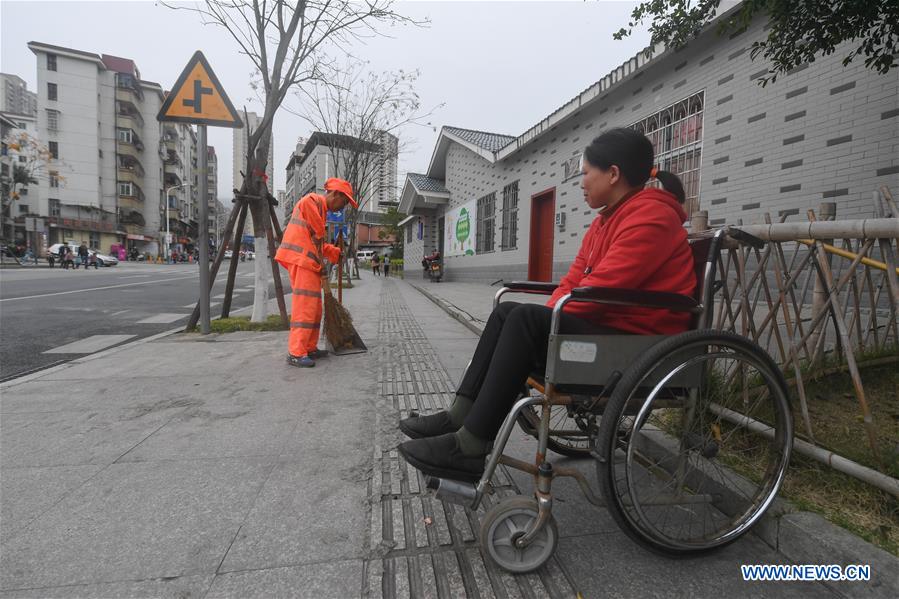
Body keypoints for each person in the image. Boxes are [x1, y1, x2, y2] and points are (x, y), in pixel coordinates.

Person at [398, 128, 696, 482]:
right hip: (614, 327)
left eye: (586, 173)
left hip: (638, 344)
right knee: (511, 311)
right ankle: (460, 416)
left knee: (526, 320)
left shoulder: (651, 218)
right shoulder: (606, 221)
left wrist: (547, 324)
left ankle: (471, 445)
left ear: (613, 174)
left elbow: (604, 287)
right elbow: (574, 282)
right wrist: (551, 320)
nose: (582, 182)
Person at [275, 177, 358, 368]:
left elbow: (317, 243)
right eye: (343, 202)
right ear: (335, 194)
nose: (342, 207)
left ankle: (309, 347)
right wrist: (326, 251)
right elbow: (317, 236)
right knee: (305, 307)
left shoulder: (321, 211)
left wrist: (335, 253)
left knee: (315, 308)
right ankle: (296, 352)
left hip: (308, 263)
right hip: (301, 262)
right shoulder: (313, 201)